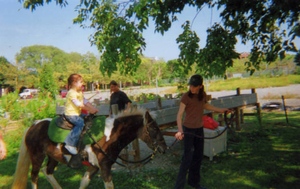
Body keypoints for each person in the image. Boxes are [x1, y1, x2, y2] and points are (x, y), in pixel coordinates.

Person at [174, 74, 230, 189]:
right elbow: (179, 115)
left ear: (200, 86)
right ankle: (178, 186)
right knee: (187, 158)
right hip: (188, 130)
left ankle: (194, 182)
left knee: (198, 156)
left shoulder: (202, 95)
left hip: (199, 129)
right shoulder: (186, 97)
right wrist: (180, 131)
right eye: (190, 86)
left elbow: (205, 106)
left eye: (194, 86)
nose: (191, 88)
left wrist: (221, 110)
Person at [64, 74, 99, 155]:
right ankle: (70, 143)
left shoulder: (78, 92)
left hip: (77, 113)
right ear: (74, 83)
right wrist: (90, 109)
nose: (82, 84)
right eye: (81, 82)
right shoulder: (71, 93)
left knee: (89, 118)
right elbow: (79, 105)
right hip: (71, 114)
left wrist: (92, 108)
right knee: (80, 123)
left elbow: (85, 101)